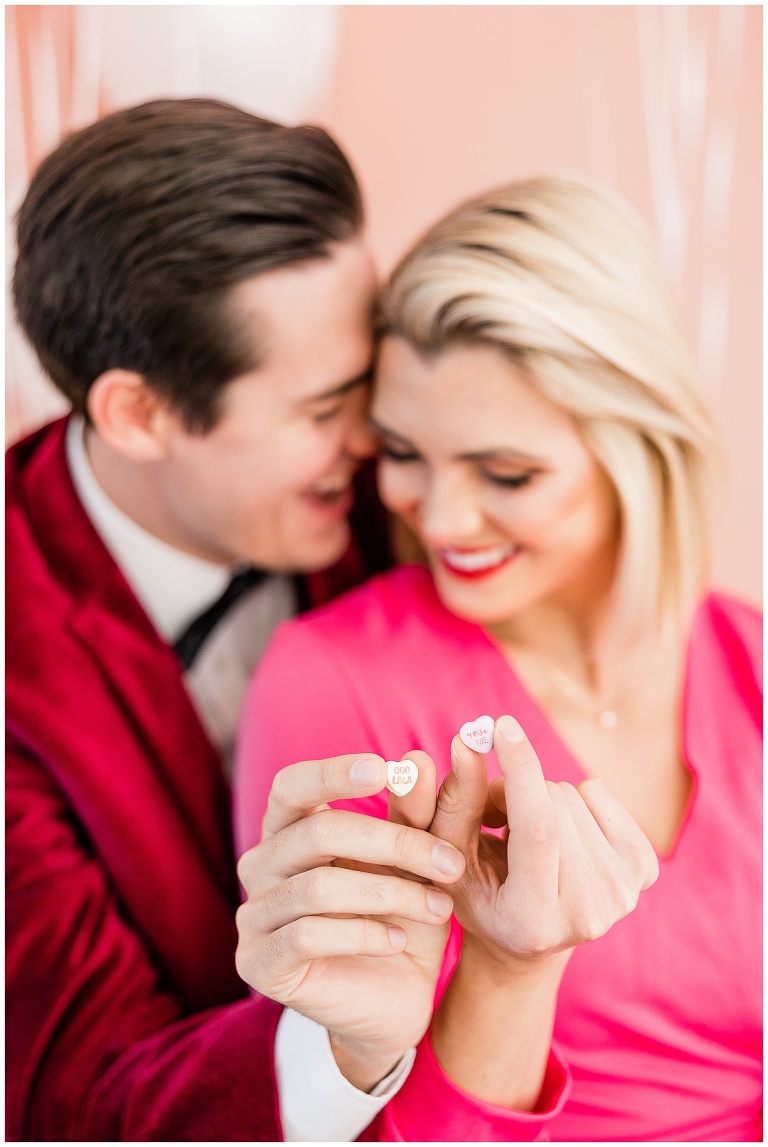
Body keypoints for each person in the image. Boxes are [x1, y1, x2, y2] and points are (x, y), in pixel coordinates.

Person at [235, 174, 762, 1141]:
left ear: (634, 448)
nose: (439, 517)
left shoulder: (752, 662)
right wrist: (510, 967)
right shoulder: (335, 683)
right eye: (402, 451)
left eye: (505, 472)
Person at [7, 97, 465, 1141]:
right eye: (322, 408)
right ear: (140, 413)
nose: (379, 438)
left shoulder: (409, 497)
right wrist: (345, 1047)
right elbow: (80, 1098)